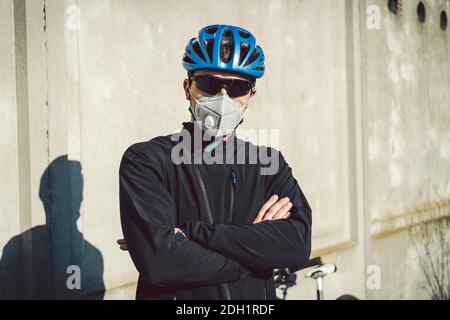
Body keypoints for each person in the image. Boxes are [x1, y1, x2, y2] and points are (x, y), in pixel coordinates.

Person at [118, 24, 312, 300]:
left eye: (237, 87)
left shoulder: (268, 163)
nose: (223, 98)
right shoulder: (146, 160)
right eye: (209, 84)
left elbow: (296, 247)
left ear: (251, 96)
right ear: (188, 88)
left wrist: (189, 232)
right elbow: (161, 263)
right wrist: (254, 256)